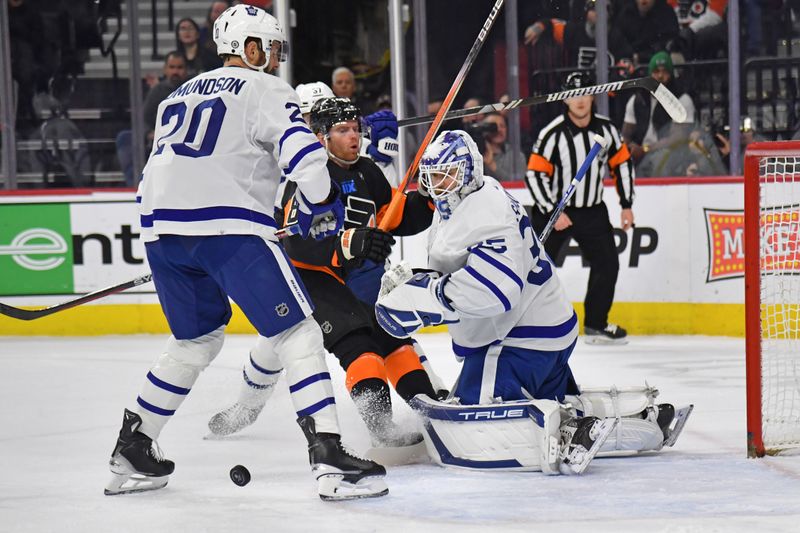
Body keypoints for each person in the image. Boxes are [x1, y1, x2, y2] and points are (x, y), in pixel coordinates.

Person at [106, 5, 387, 502]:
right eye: (270, 49)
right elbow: (305, 160)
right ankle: (329, 456)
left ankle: (134, 444)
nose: (275, 60)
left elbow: (156, 174)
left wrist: (174, 237)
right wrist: (322, 203)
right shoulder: (265, 89)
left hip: (161, 232)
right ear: (250, 48)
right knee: (298, 331)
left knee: (195, 342)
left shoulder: (174, 96)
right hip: (229, 229)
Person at [374, 130, 690, 473]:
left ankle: (568, 431)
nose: (436, 184)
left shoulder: (485, 214)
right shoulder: (475, 197)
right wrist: (422, 283)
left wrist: (425, 297)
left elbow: (496, 291)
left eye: (445, 174)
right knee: (559, 401)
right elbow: (469, 269)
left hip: (519, 342)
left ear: (468, 172)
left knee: (471, 419)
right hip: (543, 331)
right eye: (431, 176)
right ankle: (639, 423)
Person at [208, 97, 441, 450]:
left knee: (394, 340)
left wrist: (426, 195)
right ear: (320, 137)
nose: (354, 138)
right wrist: (350, 243)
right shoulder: (310, 178)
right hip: (314, 282)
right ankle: (381, 425)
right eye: (343, 131)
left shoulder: (367, 171)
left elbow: (396, 214)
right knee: (360, 347)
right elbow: (297, 244)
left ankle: (430, 410)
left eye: (355, 130)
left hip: (359, 281)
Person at [525, 72, 635, 344]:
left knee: (607, 264)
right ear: (565, 99)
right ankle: (525, 322)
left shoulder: (607, 130)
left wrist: (626, 204)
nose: (580, 100)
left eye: (585, 93)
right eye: (573, 94)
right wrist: (553, 210)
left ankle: (596, 324)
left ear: (593, 95)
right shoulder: (552, 134)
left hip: (591, 210)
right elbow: (535, 174)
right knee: (536, 267)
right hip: (554, 211)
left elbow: (621, 165)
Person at [621, 51, 695, 170]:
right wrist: (628, 148)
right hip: (639, 155)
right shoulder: (637, 100)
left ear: (671, 75)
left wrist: (646, 150)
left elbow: (678, 138)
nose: (660, 76)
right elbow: (626, 134)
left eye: (665, 72)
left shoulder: (681, 100)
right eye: (656, 72)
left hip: (670, 156)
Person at [143, 52, 189, 150]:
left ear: (186, 70)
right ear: (165, 69)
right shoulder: (157, 91)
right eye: (172, 67)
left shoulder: (194, 89)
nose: (175, 71)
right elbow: (144, 118)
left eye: (180, 67)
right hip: (162, 141)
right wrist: (149, 133)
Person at [479, 112, 527, 182]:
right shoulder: (475, 154)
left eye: (502, 126)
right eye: (493, 127)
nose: (499, 130)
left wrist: (491, 165)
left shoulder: (517, 157)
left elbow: (519, 185)